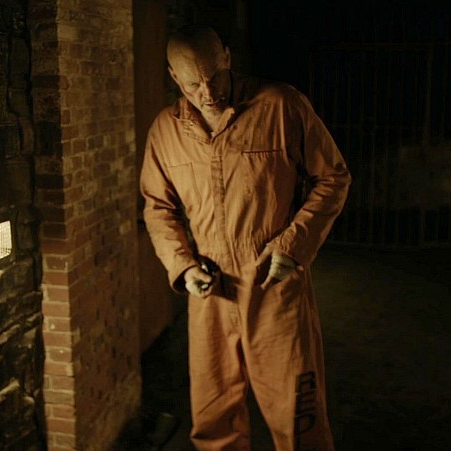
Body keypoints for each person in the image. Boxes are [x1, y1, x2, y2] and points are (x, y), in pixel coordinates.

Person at [139, 25, 351, 451]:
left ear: (227, 57)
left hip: (274, 281)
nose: (207, 93)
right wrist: (183, 265)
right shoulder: (165, 131)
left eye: (214, 77)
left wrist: (293, 246)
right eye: (192, 84)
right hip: (211, 289)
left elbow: (332, 178)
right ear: (173, 76)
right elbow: (157, 207)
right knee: (214, 417)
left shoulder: (281, 106)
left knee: (297, 415)